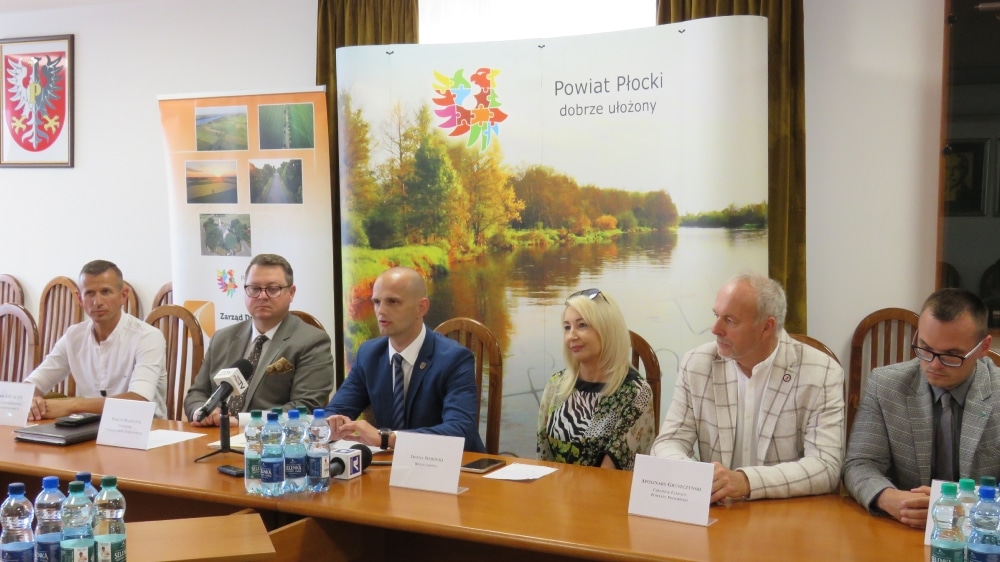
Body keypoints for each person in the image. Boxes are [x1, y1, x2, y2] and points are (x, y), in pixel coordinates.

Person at [651, 273, 844, 502]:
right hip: (720, 514)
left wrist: (745, 482)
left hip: (786, 516)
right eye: (716, 316)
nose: (715, 329)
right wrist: (700, 478)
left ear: (766, 327)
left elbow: (825, 467)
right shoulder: (698, 364)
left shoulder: (821, 372)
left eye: (730, 320)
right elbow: (668, 443)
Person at [843, 288, 1000, 529]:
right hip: (904, 529)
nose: (933, 364)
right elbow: (860, 463)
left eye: (951, 355)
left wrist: (964, 506)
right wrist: (889, 498)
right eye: (925, 348)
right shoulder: (886, 385)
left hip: (983, 534)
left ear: (982, 347)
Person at [324, 266, 485, 452]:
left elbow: (460, 431)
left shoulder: (455, 358)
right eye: (376, 302)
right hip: (390, 468)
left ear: (421, 308)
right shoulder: (369, 354)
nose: (380, 311)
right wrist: (335, 423)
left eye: (392, 302)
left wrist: (386, 438)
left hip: (452, 469)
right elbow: (335, 410)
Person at [184, 253, 334, 425]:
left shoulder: (312, 341)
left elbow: (305, 406)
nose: (262, 296)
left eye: (273, 289)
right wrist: (201, 411)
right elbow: (196, 394)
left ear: (291, 293)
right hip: (213, 435)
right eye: (254, 288)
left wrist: (238, 421)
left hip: (271, 442)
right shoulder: (222, 338)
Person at [25, 260, 168, 420]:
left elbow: (139, 401)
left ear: (123, 296)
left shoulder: (147, 336)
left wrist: (73, 406)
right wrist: (33, 401)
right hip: (89, 430)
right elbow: (31, 385)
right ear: (80, 299)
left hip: (144, 430)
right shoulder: (74, 336)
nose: (97, 302)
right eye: (90, 293)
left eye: (106, 292)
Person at [537, 288, 655, 470]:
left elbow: (610, 474)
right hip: (554, 492)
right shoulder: (556, 385)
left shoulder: (635, 393)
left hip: (607, 495)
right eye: (567, 327)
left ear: (607, 329)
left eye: (582, 325)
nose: (571, 336)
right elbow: (543, 457)